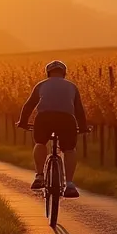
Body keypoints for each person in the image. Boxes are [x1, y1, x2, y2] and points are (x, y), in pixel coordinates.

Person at [15, 60, 87, 198]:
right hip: (66, 119)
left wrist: (23, 122)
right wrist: (83, 127)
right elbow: (79, 109)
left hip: (44, 118)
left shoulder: (41, 85)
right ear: (64, 73)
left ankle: (39, 176)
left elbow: (29, 105)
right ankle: (70, 184)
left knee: (40, 142)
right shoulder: (72, 86)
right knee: (69, 149)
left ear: (48, 73)